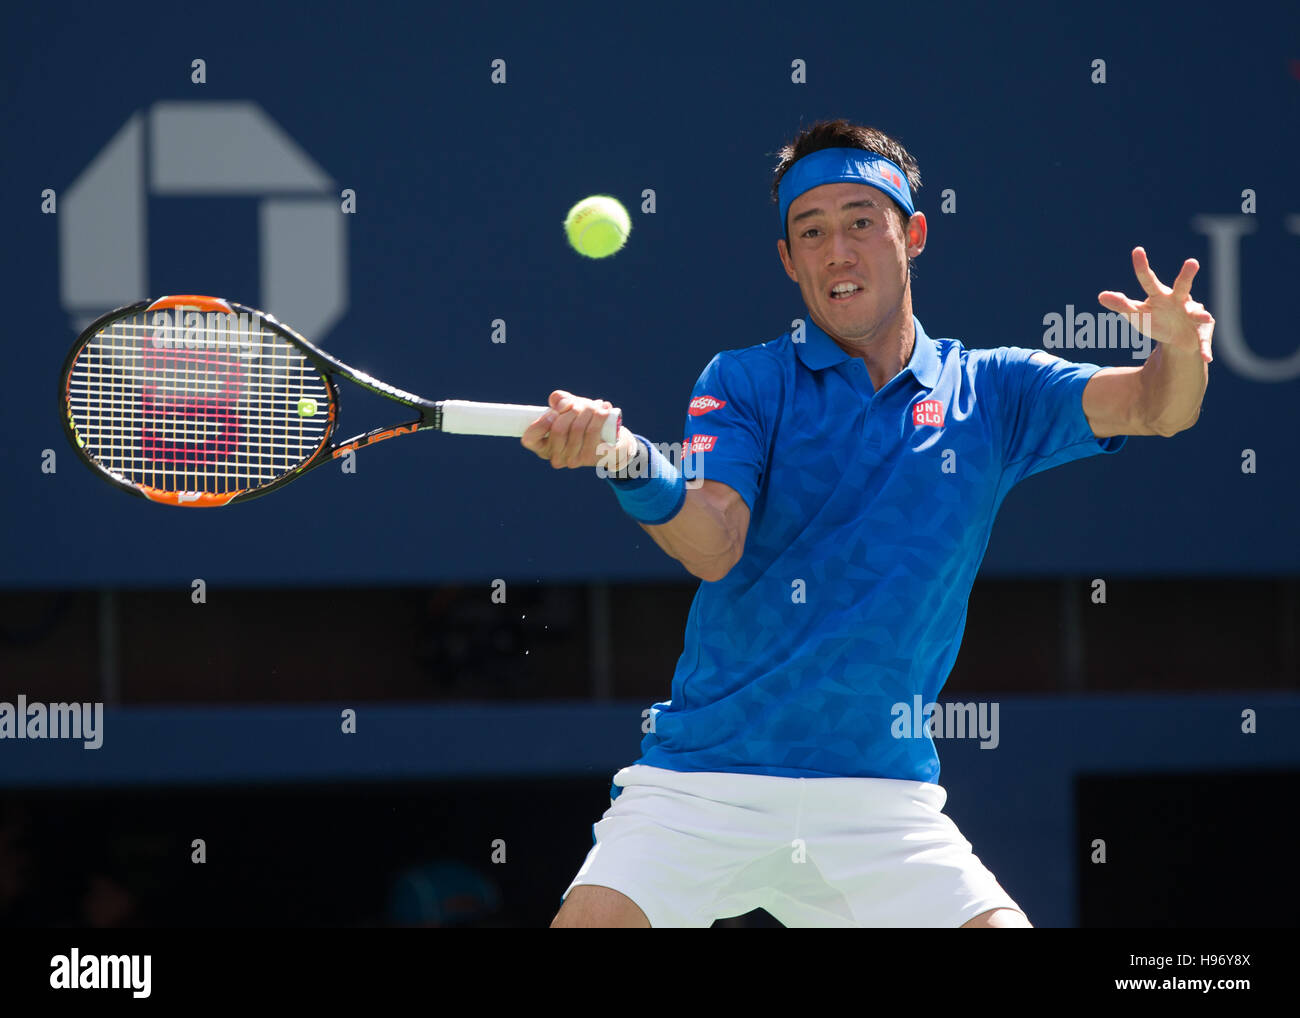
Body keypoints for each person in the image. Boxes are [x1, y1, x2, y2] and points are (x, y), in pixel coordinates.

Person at [522, 118, 1213, 928]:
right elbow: (713, 544)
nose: (837, 251)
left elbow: (1157, 410)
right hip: (704, 782)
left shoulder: (997, 391)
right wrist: (628, 461)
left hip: (882, 801)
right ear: (789, 260)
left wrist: (1181, 352)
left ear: (911, 234)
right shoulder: (744, 381)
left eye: (860, 222)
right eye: (811, 232)